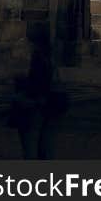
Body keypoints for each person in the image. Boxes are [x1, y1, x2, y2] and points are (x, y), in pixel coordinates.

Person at [9, 24, 67, 159]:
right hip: (51, 105)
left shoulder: (36, 56)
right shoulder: (49, 55)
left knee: (32, 147)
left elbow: (36, 83)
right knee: (44, 148)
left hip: (37, 105)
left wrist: (22, 95)